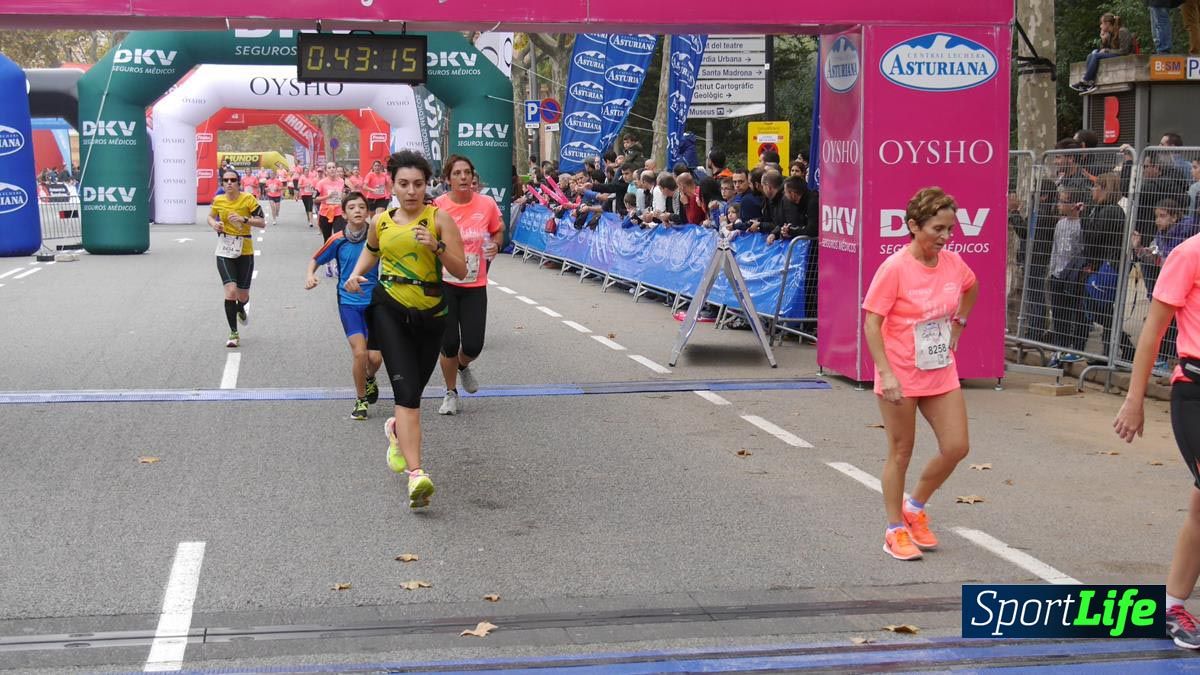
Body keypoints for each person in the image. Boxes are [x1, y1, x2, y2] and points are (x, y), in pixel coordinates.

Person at [344, 151, 467, 509]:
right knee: (407, 394)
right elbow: (372, 252)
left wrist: (437, 246)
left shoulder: (439, 219)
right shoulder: (381, 220)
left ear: (427, 185)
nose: (411, 191)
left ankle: (398, 431)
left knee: (415, 386)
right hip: (389, 308)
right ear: (392, 185)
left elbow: (460, 271)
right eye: (403, 184)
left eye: (418, 184)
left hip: (431, 314)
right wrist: (357, 274)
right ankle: (417, 474)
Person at [862, 187, 979, 561]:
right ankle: (894, 528)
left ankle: (915, 507)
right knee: (901, 451)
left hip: (939, 368)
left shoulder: (952, 263)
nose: (945, 237)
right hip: (900, 371)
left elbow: (971, 287)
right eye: (937, 229)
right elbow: (871, 323)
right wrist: (886, 373)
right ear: (914, 226)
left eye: (950, 229)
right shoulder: (894, 268)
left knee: (957, 447)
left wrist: (958, 325)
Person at [1113, 227, 1200, 650]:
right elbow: (1152, 331)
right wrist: (1134, 399)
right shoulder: (1188, 254)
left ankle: (1171, 607)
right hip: (1196, 394)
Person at [432, 155, 504, 415]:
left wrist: (496, 243)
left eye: (467, 173)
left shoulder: (486, 204)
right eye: (457, 173)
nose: (464, 177)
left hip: (475, 283)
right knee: (448, 343)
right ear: (448, 179)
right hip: (445, 283)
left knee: (473, 345)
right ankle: (450, 393)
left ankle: (462, 365)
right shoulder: (438, 206)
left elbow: (499, 229)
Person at [305, 192, 384, 421]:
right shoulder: (337, 239)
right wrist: (310, 276)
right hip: (349, 303)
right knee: (360, 353)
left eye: (362, 207)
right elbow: (315, 259)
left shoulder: (378, 237)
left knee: (375, 359)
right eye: (352, 207)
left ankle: (370, 378)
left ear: (368, 212)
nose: (358, 211)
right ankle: (360, 400)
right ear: (344, 213)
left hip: (375, 303)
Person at [208, 170, 266, 348]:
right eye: (226, 180)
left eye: (233, 180)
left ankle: (241, 307)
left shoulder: (248, 199)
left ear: (239, 183)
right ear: (222, 183)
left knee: (242, 295)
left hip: (245, 250)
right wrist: (215, 224)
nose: (229, 183)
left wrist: (244, 219)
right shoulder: (219, 200)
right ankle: (233, 333)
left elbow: (262, 222)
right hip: (225, 250)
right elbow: (210, 216)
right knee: (231, 291)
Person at [1071, 13, 1133, 94]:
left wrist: (1107, 51)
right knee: (1091, 55)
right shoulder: (1110, 34)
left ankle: (1086, 81)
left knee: (1096, 56)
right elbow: (1103, 50)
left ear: (1107, 24)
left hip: (1124, 56)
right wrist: (1104, 40)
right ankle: (1089, 83)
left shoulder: (1122, 31)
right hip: (1115, 55)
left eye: (1102, 23)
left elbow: (1124, 51)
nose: (1100, 26)